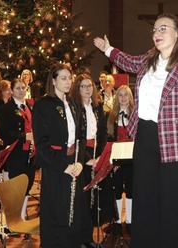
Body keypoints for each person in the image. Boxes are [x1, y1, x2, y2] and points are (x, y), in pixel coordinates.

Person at [94, 13, 178, 247]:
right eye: (154, 30)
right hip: (145, 137)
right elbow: (128, 62)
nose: (157, 34)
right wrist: (108, 49)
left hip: (175, 142)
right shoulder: (148, 59)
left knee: (173, 203)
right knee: (145, 198)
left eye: (163, 29)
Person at [32, 64, 90, 247]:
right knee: (57, 212)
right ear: (54, 80)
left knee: (75, 213)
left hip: (74, 165)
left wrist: (80, 162)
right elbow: (41, 143)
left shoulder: (73, 103)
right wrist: (63, 166)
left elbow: (81, 135)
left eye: (69, 77)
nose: (68, 81)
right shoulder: (43, 105)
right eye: (63, 78)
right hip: (56, 166)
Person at [70, 73, 109, 245]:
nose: (87, 89)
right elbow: (76, 137)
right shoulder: (74, 108)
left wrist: (100, 156)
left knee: (94, 200)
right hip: (81, 155)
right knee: (82, 200)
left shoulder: (97, 107)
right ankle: (80, 239)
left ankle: (89, 237)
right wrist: (86, 159)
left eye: (89, 86)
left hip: (95, 153)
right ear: (77, 89)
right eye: (83, 86)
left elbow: (102, 134)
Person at [0, 79, 36, 192]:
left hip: (31, 152)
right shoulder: (5, 109)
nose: (21, 91)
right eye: (18, 88)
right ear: (12, 91)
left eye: (23, 88)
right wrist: (24, 136)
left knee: (29, 184)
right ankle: (16, 209)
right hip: (16, 153)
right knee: (18, 186)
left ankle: (23, 210)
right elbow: (3, 132)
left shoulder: (30, 107)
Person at [106, 85, 135, 236]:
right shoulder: (111, 116)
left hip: (131, 159)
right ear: (117, 98)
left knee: (131, 189)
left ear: (130, 97)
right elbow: (109, 138)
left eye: (126, 95)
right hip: (116, 159)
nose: (123, 98)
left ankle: (129, 220)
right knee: (116, 189)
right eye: (120, 95)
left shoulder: (135, 115)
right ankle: (117, 221)